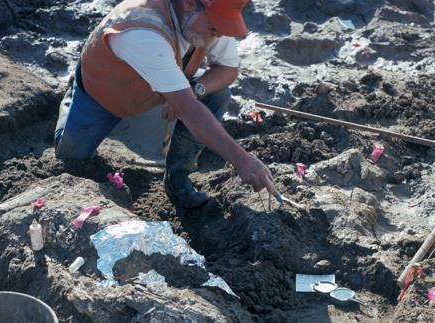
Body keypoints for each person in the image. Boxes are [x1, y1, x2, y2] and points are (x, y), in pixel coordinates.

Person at [54, 0, 277, 208]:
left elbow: (229, 70)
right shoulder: (142, 29)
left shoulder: (209, 17)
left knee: (217, 94)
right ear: (190, 4)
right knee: (72, 159)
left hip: (161, 81)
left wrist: (196, 89)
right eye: (213, 27)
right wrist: (242, 160)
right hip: (105, 89)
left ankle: (177, 178)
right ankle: (74, 92)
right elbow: (188, 109)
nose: (218, 33)